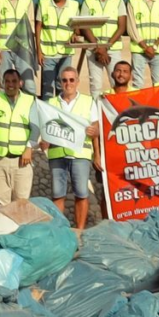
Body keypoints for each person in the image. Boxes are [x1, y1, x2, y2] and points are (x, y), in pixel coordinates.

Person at [41, 66, 100, 232]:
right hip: (57, 154)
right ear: (60, 82)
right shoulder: (51, 103)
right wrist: (44, 140)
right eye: (65, 80)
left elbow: (96, 129)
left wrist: (97, 154)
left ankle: (79, 230)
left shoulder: (88, 101)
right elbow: (46, 128)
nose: (68, 83)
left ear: (78, 82)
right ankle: (59, 230)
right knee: (57, 194)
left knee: (81, 193)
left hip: (80, 154)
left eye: (71, 80)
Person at [0, 66, 37, 207]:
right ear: (3, 83)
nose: (10, 84)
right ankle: (5, 229)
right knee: (2, 203)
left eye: (14, 81)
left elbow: (36, 128)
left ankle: (19, 229)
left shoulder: (29, 100)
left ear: (20, 83)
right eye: (7, 81)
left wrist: (29, 148)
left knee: (21, 203)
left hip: (21, 160)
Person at [34, 0, 81, 98]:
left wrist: (75, 35)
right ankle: (46, 116)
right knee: (47, 87)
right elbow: (38, 27)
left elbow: (77, 29)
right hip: (47, 53)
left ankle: (62, 114)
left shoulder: (74, 5)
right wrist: (38, 51)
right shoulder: (43, 3)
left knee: (63, 86)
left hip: (66, 53)